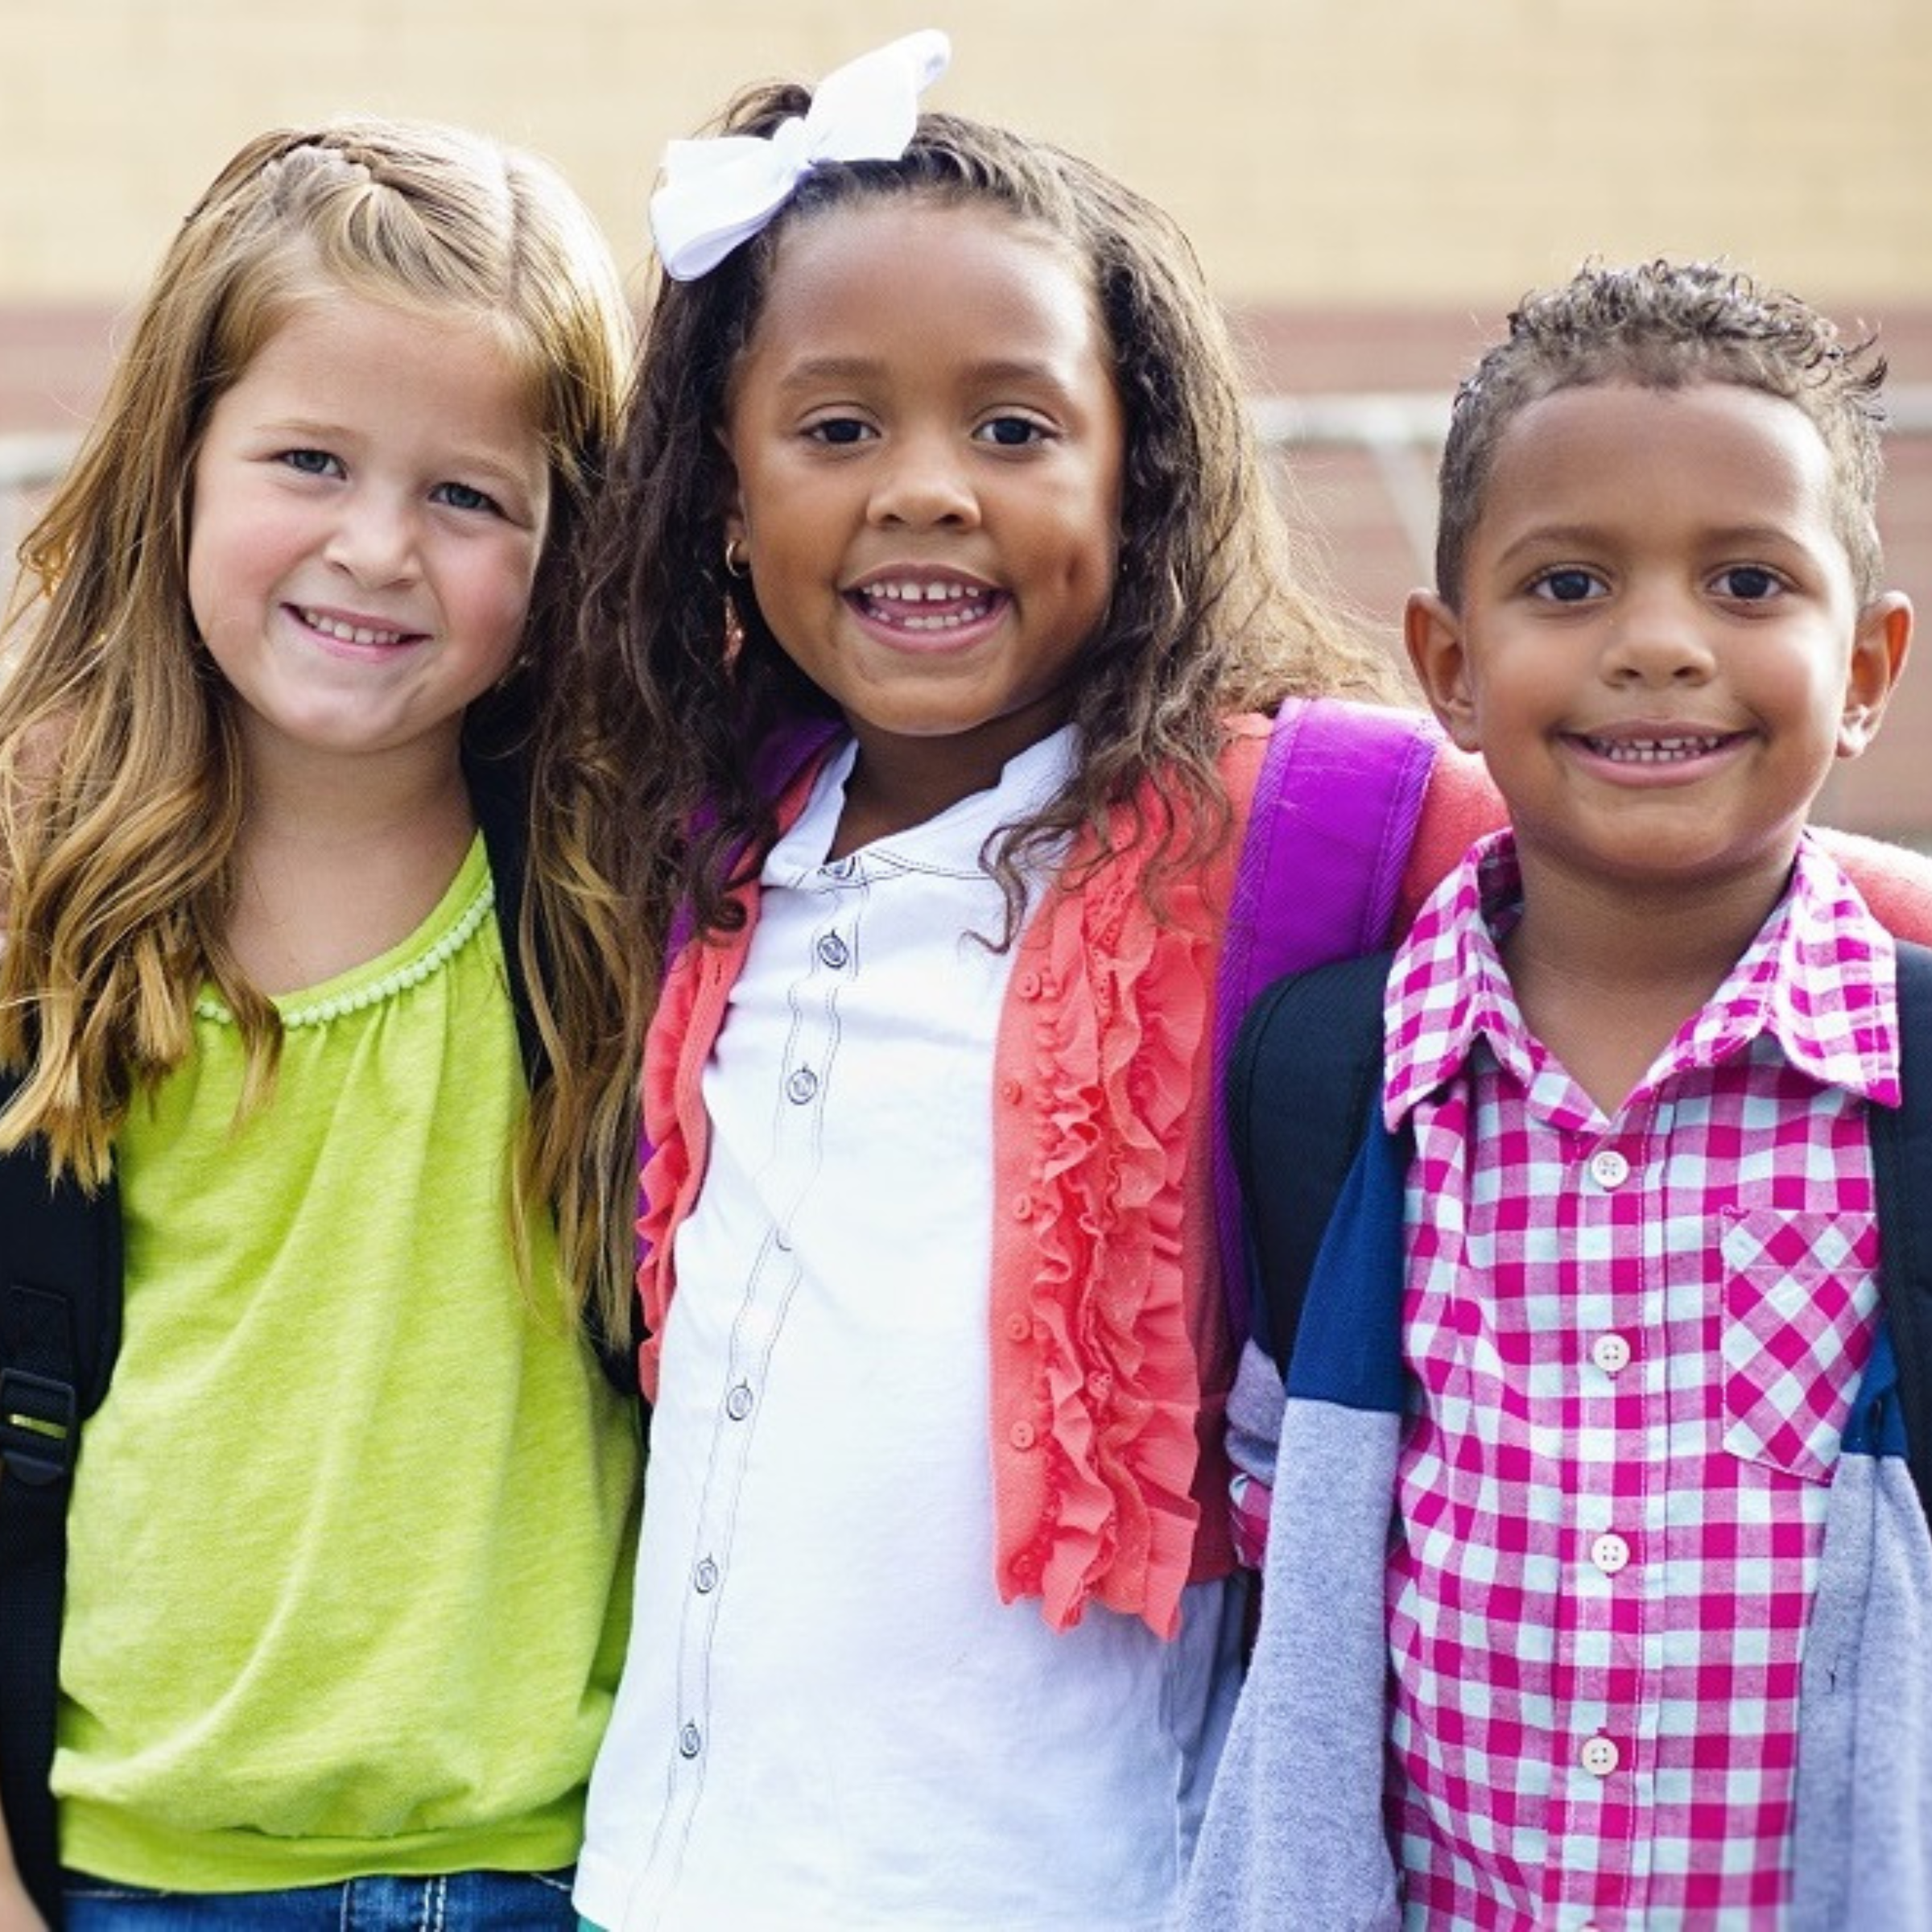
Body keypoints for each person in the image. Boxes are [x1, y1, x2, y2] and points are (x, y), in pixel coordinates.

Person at [556, 30, 1932, 1923]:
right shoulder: (696, 837)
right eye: (840, 427)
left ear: (1144, 483)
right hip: (668, 1873)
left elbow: (1688, 838)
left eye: (1017, 430)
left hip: (1077, 1876)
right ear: (723, 488)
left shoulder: (1285, 816)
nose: (931, 491)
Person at [1184, 259, 1930, 1930]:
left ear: (1869, 665)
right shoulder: (1329, 1077)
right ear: (1450, 664)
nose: (1658, 646)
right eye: (1572, 582)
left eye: (1747, 583)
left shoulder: (1919, 1080)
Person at [0, 118, 646, 1931]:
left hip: (565, 1867)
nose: (375, 548)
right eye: (308, 459)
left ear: (565, 547)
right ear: (176, 467)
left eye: (469, 497)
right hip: (140, 1879)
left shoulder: (621, 899)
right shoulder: (43, 908)